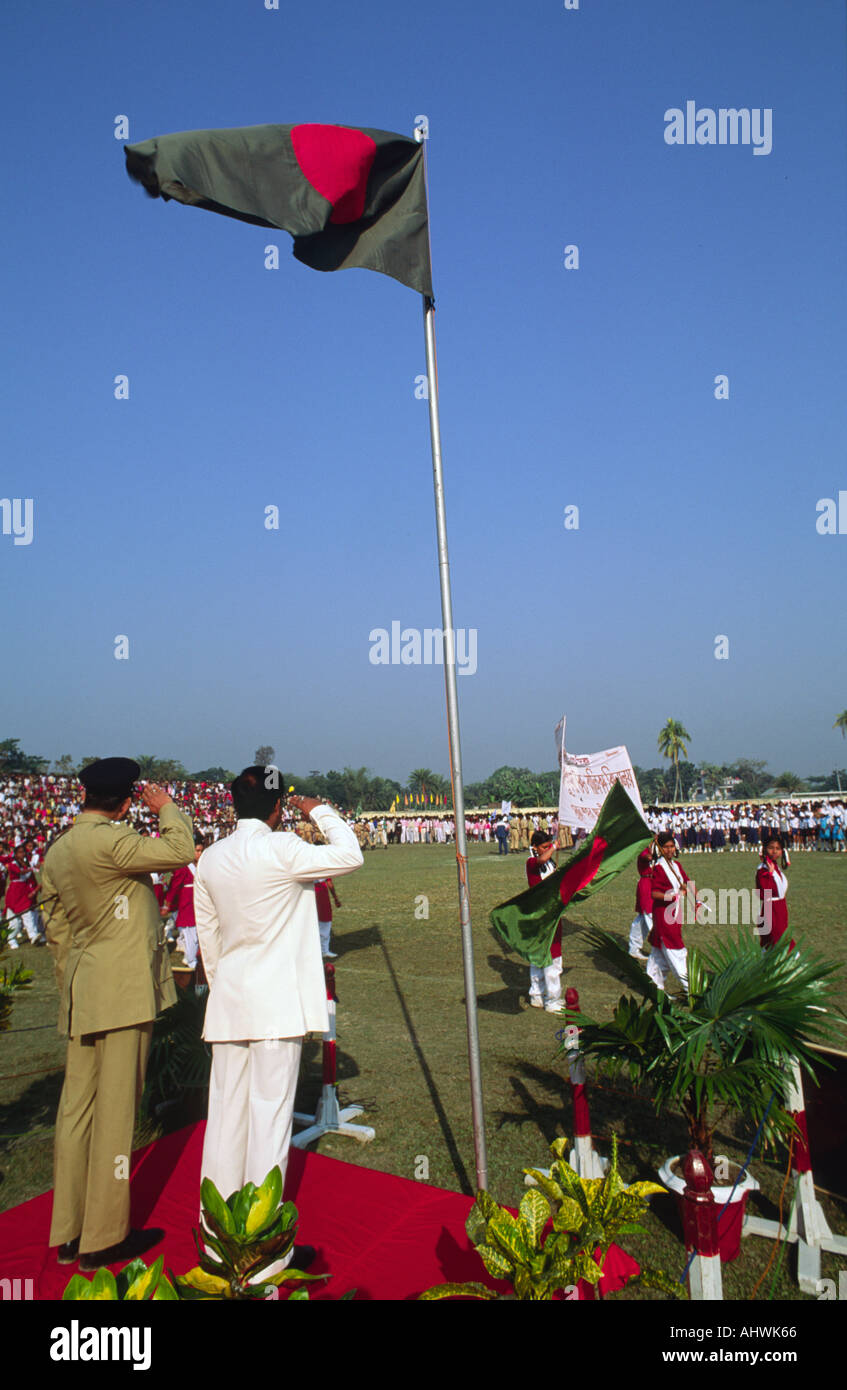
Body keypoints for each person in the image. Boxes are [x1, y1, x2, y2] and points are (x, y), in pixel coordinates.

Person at [193, 768, 363, 1267]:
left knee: (224, 1121)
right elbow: (349, 854)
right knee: (269, 1124)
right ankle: (263, 1255)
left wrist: (228, 989)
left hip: (231, 1003)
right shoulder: (284, 846)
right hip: (275, 1008)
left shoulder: (212, 859)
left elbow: (210, 941)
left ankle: (215, 1242)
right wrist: (319, 810)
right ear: (277, 809)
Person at [40, 759, 195, 1270]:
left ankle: (68, 1229)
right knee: (115, 1114)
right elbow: (179, 850)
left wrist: (78, 979)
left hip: (85, 990)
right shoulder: (111, 840)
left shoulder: (60, 848)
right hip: (124, 993)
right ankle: (103, 1236)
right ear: (126, 801)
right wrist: (165, 807)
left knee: (75, 1111)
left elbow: (55, 927)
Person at [646, 831, 692, 993]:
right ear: (661, 849)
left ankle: (654, 987)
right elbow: (654, 893)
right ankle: (690, 989)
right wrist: (673, 896)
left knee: (658, 955)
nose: (670, 850)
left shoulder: (676, 866)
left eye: (672, 846)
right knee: (675, 950)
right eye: (666, 847)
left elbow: (686, 882)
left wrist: (692, 894)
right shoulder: (659, 868)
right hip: (664, 913)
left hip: (675, 912)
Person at [525, 829, 564, 1012]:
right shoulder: (532, 862)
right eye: (544, 847)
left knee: (543, 955)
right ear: (535, 847)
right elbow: (540, 860)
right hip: (542, 914)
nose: (548, 850)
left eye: (549, 846)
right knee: (549, 957)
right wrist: (555, 845)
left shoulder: (550, 862)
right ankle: (551, 999)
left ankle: (537, 994)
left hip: (552, 912)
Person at [162, 833, 205, 968]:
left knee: (197, 932)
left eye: (201, 851)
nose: (199, 854)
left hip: (199, 901)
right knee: (190, 932)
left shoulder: (203, 865)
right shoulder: (184, 867)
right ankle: (191, 960)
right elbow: (174, 887)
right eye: (197, 851)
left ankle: (189, 957)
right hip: (187, 902)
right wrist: (167, 904)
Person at [755, 833, 794, 951]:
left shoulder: (775, 867)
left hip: (780, 907)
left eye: (777, 849)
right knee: (778, 938)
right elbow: (766, 890)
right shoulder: (763, 870)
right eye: (771, 848)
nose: (774, 851)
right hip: (771, 908)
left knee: (774, 939)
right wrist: (770, 874)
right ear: (765, 849)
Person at [628, 849, 654, 960]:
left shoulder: (654, 849)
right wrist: (655, 855)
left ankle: (634, 948)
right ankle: (662, 949)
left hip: (653, 883)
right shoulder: (644, 849)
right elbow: (647, 857)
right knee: (650, 916)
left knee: (642, 920)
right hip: (646, 884)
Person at [315, 875, 341, 958]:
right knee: (324, 920)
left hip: (305, 891)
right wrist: (335, 898)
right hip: (320, 891)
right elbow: (329, 882)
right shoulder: (323, 863)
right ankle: (324, 950)